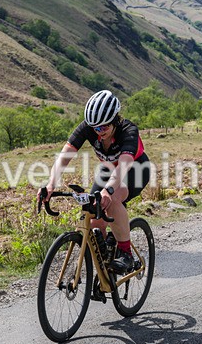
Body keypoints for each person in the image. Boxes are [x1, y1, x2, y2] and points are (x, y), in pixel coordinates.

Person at [39, 90, 151, 273]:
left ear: (115, 120)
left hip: (135, 170)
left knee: (112, 200)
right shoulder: (88, 128)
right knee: (93, 214)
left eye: (104, 127)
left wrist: (109, 190)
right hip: (109, 170)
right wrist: (51, 183)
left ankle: (126, 254)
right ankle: (105, 262)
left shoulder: (128, 131)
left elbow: (123, 167)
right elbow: (64, 157)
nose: (99, 132)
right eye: (95, 128)